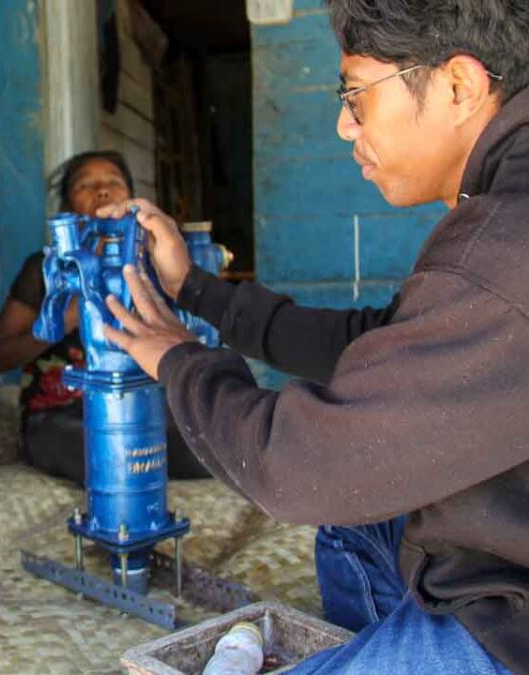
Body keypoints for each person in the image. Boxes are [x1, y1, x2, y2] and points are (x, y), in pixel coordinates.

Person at [101, 1, 528, 673]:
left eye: (355, 95)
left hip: (514, 623)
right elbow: (384, 343)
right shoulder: (502, 211)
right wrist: (196, 290)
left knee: (348, 487)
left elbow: (300, 464)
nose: (341, 124)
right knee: (359, 519)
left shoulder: (502, 247)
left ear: (458, 85)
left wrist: (178, 358)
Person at [0, 151, 208, 485]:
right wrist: (69, 315)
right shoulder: (48, 270)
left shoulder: (156, 265)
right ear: (67, 208)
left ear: (133, 199)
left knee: (214, 450)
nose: (102, 191)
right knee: (108, 456)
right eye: (85, 185)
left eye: (113, 183)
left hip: (142, 407)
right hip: (60, 416)